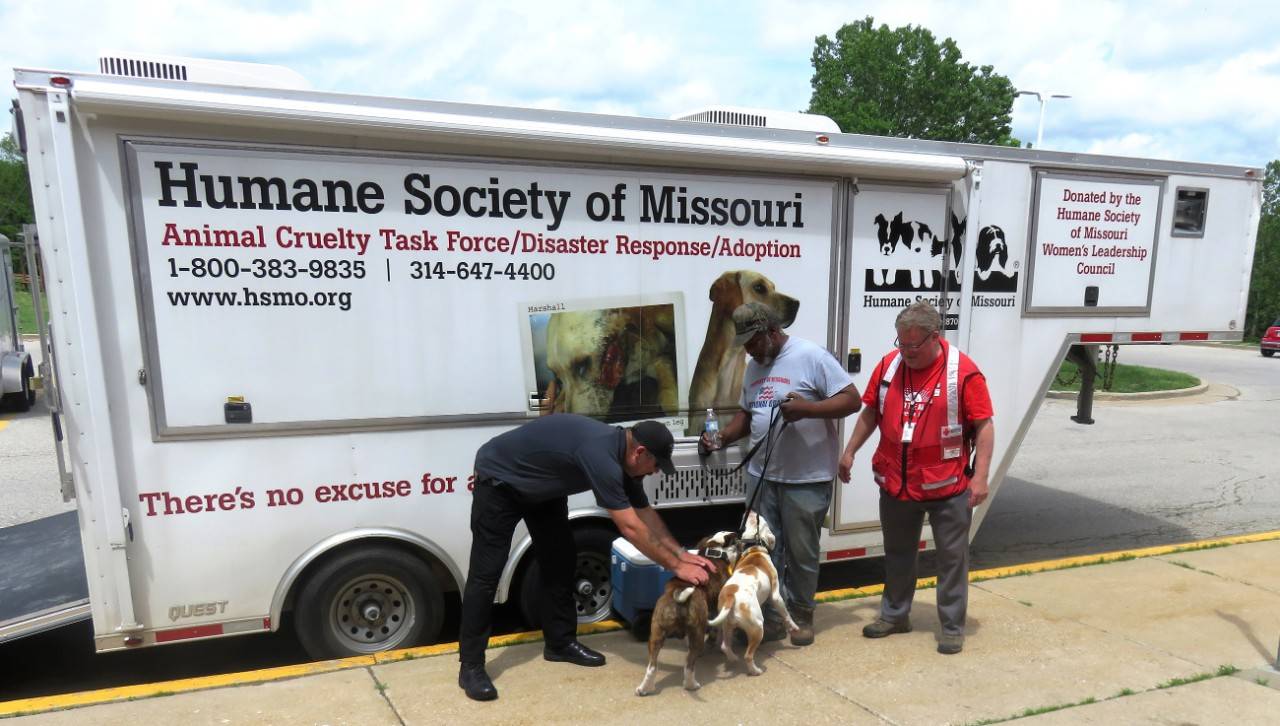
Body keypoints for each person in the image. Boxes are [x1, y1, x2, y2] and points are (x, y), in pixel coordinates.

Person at [458, 414, 717, 701]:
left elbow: (645, 514)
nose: (656, 472)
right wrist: (675, 567)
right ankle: (470, 665)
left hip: (543, 487)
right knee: (486, 574)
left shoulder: (627, 461)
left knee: (560, 560)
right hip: (501, 480)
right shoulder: (602, 457)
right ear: (640, 453)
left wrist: (682, 554)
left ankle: (559, 643)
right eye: (656, 465)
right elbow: (630, 527)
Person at [838, 300, 994, 655]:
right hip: (897, 482)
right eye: (901, 343)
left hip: (948, 485)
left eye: (913, 345)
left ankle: (952, 626)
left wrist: (980, 477)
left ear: (934, 337)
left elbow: (984, 427)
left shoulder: (963, 372)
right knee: (897, 553)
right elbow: (870, 414)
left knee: (952, 558)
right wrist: (850, 451)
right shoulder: (889, 366)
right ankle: (895, 616)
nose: (905, 351)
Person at [701, 301, 861, 646]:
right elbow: (748, 413)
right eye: (744, 344)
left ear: (772, 332)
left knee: (802, 554)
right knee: (762, 553)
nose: (749, 350)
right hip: (762, 476)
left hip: (806, 478)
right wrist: (722, 437)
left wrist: (808, 409)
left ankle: (801, 614)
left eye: (753, 342)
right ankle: (771, 619)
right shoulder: (754, 366)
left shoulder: (812, 356)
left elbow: (852, 400)